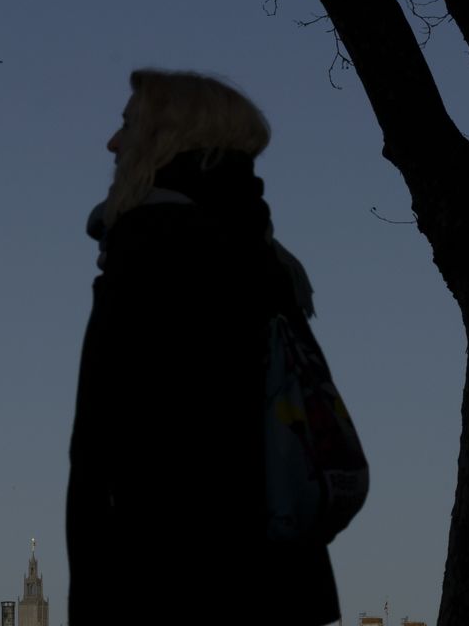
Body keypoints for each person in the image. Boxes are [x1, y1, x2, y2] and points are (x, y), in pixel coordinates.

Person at [67, 69, 341, 625]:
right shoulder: (267, 258)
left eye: (129, 126)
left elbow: (103, 457)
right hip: (278, 585)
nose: (113, 144)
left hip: (168, 584)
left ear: (167, 140)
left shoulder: (146, 252)